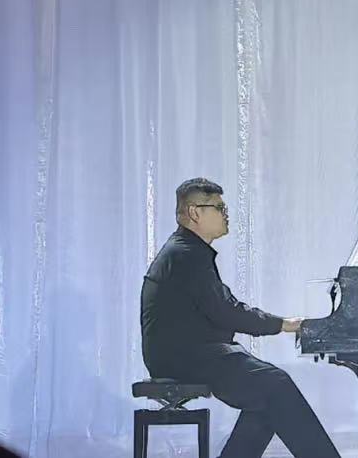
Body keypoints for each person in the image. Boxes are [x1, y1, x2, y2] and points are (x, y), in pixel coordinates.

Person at [140, 177, 340, 458]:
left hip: (188, 352)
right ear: (195, 212)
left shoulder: (187, 251)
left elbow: (222, 308)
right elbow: (227, 312)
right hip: (185, 357)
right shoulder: (186, 255)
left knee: (266, 398)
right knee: (276, 384)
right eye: (219, 208)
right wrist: (284, 325)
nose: (226, 214)